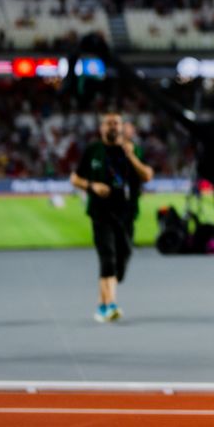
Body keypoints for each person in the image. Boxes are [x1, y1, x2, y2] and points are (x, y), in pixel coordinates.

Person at [70, 111, 154, 322]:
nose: (112, 127)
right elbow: (75, 178)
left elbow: (147, 176)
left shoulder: (132, 150)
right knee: (107, 256)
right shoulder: (93, 151)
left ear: (122, 127)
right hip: (100, 212)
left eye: (116, 123)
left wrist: (131, 156)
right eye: (108, 124)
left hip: (126, 214)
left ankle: (104, 303)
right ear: (102, 128)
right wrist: (92, 186)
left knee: (122, 261)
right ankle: (109, 305)